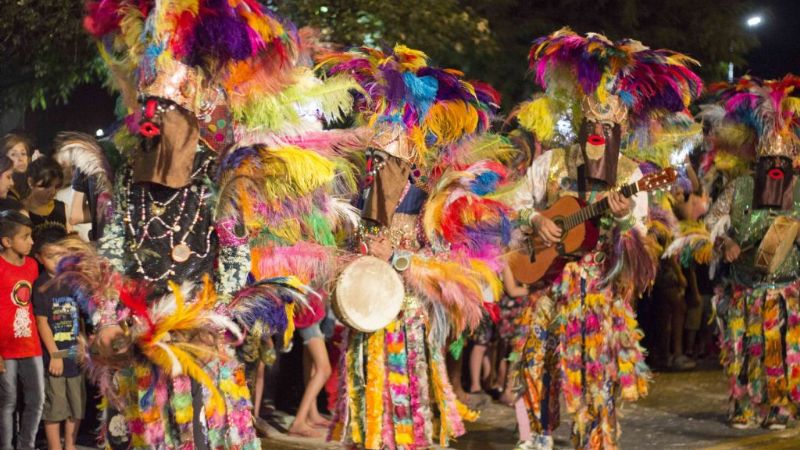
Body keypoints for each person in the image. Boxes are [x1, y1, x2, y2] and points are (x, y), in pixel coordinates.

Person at [508, 28, 703, 449]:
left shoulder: (631, 174)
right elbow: (514, 205)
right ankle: (535, 434)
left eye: (606, 125)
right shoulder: (552, 162)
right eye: (591, 123)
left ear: (620, 127)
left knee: (597, 369)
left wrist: (618, 224)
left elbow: (638, 246)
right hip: (549, 283)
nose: (597, 130)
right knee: (535, 360)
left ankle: (592, 438)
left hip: (600, 289)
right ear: (581, 122)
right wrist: (535, 219)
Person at [703, 75, 800, 430]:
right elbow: (708, 223)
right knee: (743, 350)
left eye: (781, 159)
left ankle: (779, 408)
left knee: (779, 352)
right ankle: (742, 405)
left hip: (786, 289)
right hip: (744, 287)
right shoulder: (740, 186)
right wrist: (724, 241)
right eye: (768, 159)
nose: (775, 164)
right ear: (759, 159)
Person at [32, 226, 86, 450]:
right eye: (51, 256)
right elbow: (42, 322)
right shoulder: (42, 286)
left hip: (75, 352)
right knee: (56, 405)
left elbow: (82, 316)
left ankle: (70, 444)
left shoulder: (74, 281)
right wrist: (54, 354)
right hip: (55, 354)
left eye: (61, 254)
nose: (57, 260)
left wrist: (84, 344)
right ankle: (55, 446)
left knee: (76, 403)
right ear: (39, 257)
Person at [0, 210, 43, 450]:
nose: (32, 241)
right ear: (6, 242)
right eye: (25, 237)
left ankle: (27, 445)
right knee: (8, 401)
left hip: (31, 344)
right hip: (5, 349)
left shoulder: (32, 266)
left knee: (36, 400)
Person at [23, 156, 70, 233]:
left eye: (56, 186)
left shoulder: (62, 208)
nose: (53, 192)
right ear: (31, 182)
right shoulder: (22, 211)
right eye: (47, 186)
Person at [1, 132, 35, 202]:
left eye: (23, 153)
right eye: (13, 154)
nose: (20, 159)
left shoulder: (31, 181)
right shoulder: (4, 191)